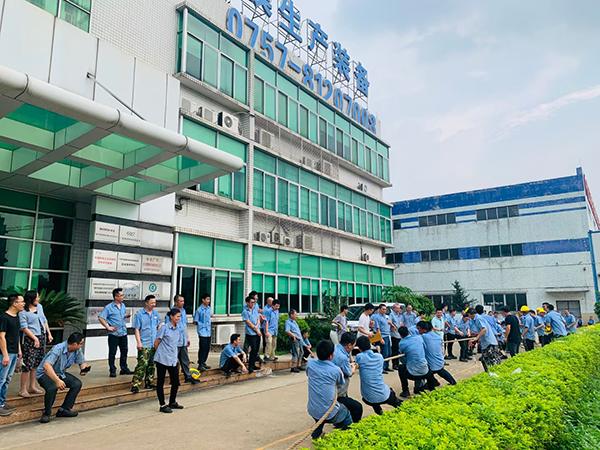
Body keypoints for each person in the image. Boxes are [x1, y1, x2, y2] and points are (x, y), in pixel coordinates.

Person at [36, 332, 88, 423]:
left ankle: (64, 409)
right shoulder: (58, 349)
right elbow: (46, 366)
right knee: (52, 387)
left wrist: (84, 369)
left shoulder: (77, 350)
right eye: (81, 343)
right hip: (45, 374)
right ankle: (47, 413)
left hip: (60, 373)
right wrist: (57, 381)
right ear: (74, 344)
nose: (81, 345)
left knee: (77, 384)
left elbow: (81, 362)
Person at [306, 340, 352, 440]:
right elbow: (341, 381)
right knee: (346, 413)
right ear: (331, 356)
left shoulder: (310, 364)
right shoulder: (335, 370)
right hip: (330, 412)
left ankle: (316, 434)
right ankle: (349, 437)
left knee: (320, 416)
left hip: (313, 409)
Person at [18, 290, 53, 398]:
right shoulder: (23, 312)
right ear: (31, 299)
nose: (38, 299)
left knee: (37, 363)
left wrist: (49, 333)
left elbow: (44, 320)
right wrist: (34, 338)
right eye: (36, 297)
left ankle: (32, 386)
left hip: (42, 336)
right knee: (28, 364)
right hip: (30, 339)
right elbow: (24, 327)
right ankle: (22, 389)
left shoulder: (40, 307)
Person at [355, 336, 402, 415]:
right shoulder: (379, 357)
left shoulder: (359, 357)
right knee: (394, 397)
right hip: (384, 394)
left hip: (368, 397)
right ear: (370, 345)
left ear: (359, 349)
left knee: (370, 397)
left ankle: (379, 411)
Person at [154, 308, 183, 413]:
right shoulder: (164, 328)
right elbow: (156, 342)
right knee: (160, 382)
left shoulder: (178, 328)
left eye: (180, 317)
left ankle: (172, 402)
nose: (178, 318)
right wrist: (160, 353)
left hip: (172, 358)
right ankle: (162, 405)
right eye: (177, 316)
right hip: (162, 359)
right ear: (171, 316)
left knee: (175, 381)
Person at [98, 288, 133, 377]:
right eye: (121, 295)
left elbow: (121, 315)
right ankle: (112, 369)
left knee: (124, 351)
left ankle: (124, 368)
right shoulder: (109, 307)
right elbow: (101, 318)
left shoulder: (123, 305)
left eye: (122, 295)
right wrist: (108, 327)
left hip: (123, 333)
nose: (122, 297)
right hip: (114, 334)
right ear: (116, 297)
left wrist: (126, 316)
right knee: (112, 352)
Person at [131, 295, 162, 393]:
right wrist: (139, 343)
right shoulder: (140, 315)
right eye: (152, 303)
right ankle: (135, 384)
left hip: (154, 344)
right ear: (146, 303)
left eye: (155, 303)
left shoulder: (155, 313)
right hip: (144, 344)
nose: (153, 304)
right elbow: (136, 329)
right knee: (142, 365)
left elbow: (160, 324)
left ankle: (149, 382)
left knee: (152, 365)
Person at [0, 293, 24, 416]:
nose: (24, 304)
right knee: (1, 379)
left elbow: (16, 335)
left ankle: (2, 402)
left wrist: (19, 349)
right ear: (14, 303)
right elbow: (1, 337)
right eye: (21, 301)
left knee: (7, 379)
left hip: (14, 352)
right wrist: (5, 354)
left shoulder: (17, 317)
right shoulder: (4, 317)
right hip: (6, 353)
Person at [331, 332, 362, 424]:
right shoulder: (342, 357)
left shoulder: (335, 349)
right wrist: (354, 367)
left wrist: (349, 365)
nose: (354, 347)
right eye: (354, 345)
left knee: (346, 403)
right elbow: (349, 373)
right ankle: (351, 426)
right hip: (338, 390)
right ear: (349, 345)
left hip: (331, 386)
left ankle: (341, 421)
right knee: (357, 408)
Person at [397, 326, 436, 397]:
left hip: (412, 373)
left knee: (401, 368)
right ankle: (432, 389)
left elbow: (402, 358)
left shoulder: (401, 343)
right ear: (409, 332)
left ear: (400, 335)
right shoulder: (419, 338)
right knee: (425, 365)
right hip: (425, 371)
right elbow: (424, 348)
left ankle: (405, 390)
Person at [417, 321, 457, 386]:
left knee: (422, 372)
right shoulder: (438, 338)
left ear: (424, 330)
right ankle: (453, 382)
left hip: (430, 364)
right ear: (432, 328)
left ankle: (431, 383)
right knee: (441, 371)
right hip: (440, 361)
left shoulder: (423, 337)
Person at [469, 306, 502, 372]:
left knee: (492, 361)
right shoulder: (478, 318)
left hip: (489, 343)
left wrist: (477, 338)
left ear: (470, 314)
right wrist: (477, 335)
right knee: (485, 360)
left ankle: (495, 374)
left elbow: (484, 329)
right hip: (486, 342)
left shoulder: (478, 318)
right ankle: (489, 374)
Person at [172, 295, 196, 384]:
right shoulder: (172, 313)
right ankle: (174, 379)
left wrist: (187, 337)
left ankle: (188, 376)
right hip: (175, 341)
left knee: (185, 360)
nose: (183, 303)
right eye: (181, 301)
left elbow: (185, 325)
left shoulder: (183, 311)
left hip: (183, 340)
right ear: (176, 302)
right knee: (174, 361)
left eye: (183, 301)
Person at [242, 296, 262, 373]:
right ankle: (250, 365)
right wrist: (255, 329)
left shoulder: (255, 309)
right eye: (251, 302)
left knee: (256, 349)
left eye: (254, 302)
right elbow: (248, 322)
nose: (253, 304)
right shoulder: (245, 312)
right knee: (253, 349)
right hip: (250, 333)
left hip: (257, 331)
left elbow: (258, 318)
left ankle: (253, 364)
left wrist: (257, 327)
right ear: (247, 303)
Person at [193, 293, 212, 372]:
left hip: (208, 331)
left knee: (207, 347)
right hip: (202, 331)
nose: (208, 301)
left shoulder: (209, 308)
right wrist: (201, 325)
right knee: (202, 347)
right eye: (207, 299)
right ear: (203, 300)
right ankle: (200, 363)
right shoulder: (199, 310)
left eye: (209, 299)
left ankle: (204, 362)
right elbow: (195, 321)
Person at [373, 304, 393, 373]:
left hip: (387, 335)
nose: (384, 311)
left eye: (385, 309)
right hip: (383, 336)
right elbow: (377, 329)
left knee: (389, 353)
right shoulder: (377, 317)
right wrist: (380, 338)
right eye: (383, 309)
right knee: (384, 353)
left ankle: (387, 366)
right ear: (379, 309)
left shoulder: (385, 316)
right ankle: (382, 367)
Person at [389, 304, 403, 370]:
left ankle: (398, 363)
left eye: (399, 308)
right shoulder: (392, 314)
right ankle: (394, 364)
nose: (398, 310)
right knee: (395, 350)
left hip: (399, 334)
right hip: (394, 334)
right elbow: (389, 321)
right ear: (394, 308)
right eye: (397, 308)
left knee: (399, 350)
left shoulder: (399, 315)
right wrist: (393, 326)